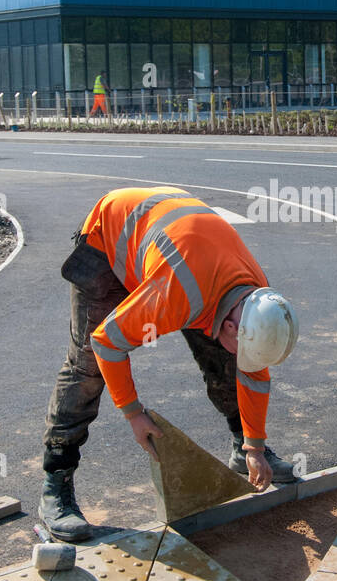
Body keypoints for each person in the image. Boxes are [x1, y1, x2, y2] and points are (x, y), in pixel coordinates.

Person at [40, 186, 300, 541]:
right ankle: (56, 483)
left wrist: (254, 446)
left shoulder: (258, 301)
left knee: (225, 359)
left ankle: (240, 451)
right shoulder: (174, 296)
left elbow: (253, 374)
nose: (249, 363)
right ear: (228, 325)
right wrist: (133, 413)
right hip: (109, 239)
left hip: (177, 245)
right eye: (244, 349)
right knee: (87, 366)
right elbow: (107, 342)